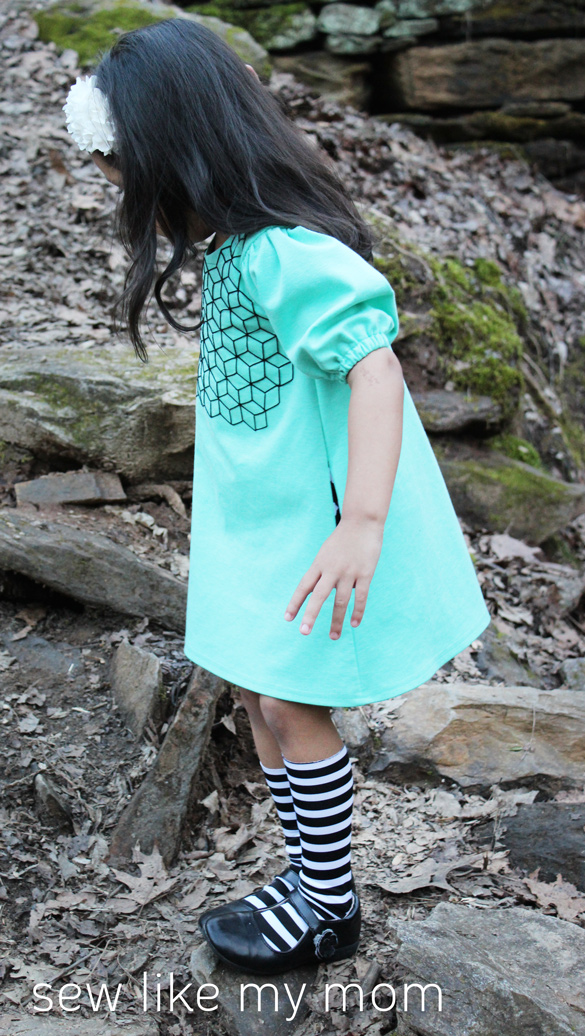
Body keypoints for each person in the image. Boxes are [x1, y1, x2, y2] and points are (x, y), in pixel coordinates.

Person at [62, 17, 491, 976]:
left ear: (179, 153)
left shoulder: (283, 252)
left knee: (292, 706)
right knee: (262, 696)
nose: (128, 197)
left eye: (130, 175)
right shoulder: (233, 249)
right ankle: (307, 878)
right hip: (261, 523)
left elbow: (376, 369)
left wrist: (363, 524)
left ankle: (330, 905)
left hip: (313, 529)